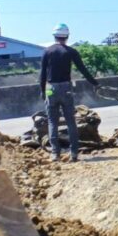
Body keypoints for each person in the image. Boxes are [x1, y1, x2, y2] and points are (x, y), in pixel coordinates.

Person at [39, 23, 99, 162]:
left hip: (50, 89)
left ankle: (55, 154)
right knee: (71, 121)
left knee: (52, 122)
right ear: (67, 36)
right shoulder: (71, 52)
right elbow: (83, 70)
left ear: (54, 36)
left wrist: (42, 91)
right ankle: (73, 153)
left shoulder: (47, 52)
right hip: (66, 88)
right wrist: (95, 84)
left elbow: (42, 75)